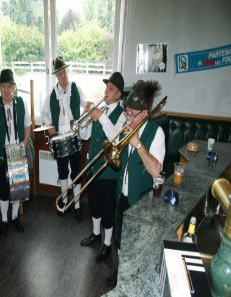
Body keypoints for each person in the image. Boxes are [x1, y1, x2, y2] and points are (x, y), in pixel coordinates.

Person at [105, 80, 165, 288]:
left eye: (132, 114)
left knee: (137, 245)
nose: (128, 118)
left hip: (141, 200)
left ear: (145, 113)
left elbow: (156, 171)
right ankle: (122, 272)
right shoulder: (126, 125)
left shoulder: (156, 133)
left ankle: (134, 279)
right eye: (127, 112)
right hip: (122, 195)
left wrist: (138, 144)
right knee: (120, 240)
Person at [79, 72, 126, 262]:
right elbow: (84, 136)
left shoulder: (122, 115)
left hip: (108, 171)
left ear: (119, 95)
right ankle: (96, 235)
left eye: (111, 88)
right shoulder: (101, 110)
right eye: (106, 87)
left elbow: (116, 139)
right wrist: (85, 117)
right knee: (95, 205)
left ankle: (107, 244)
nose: (106, 91)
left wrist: (101, 117)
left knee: (107, 210)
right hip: (93, 167)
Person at [0, 69, 31, 238]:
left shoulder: (21, 102)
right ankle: (4, 221)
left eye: (9, 86)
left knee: (17, 188)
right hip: (2, 153)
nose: (6, 90)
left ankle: (14, 218)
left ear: (14, 87)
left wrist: (25, 144)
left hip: (18, 151)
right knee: (3, 190)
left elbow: (28, 125)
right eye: (2, 86)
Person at [41, 56, 86, 221]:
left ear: (68, 71)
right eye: (59, 73)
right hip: (59, 138)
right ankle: (64, 202)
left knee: (76, 172)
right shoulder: (51, 95)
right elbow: (44, 114)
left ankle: (77, 205)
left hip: (74, 136)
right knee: (62, 172)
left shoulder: (76, 89)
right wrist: (49, 125)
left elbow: (86, 104)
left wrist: (87, 110)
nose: (63, 76)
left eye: (64, 72)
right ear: (56, 76)